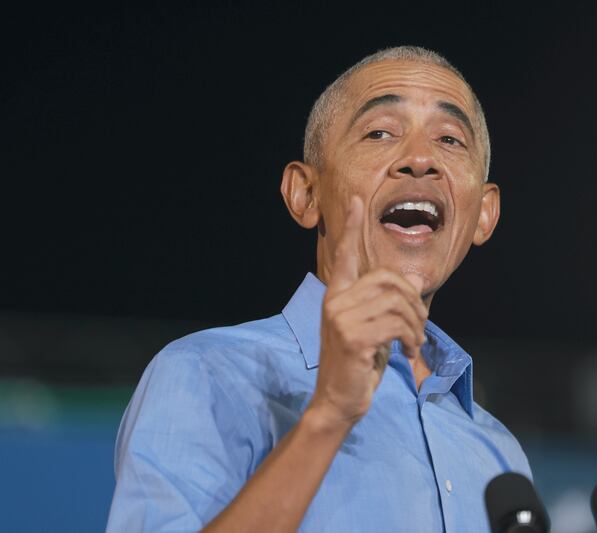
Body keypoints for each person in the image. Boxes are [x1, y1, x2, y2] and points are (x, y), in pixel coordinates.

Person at [107, 46, 533, 532]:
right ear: (305, 194)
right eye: (380, 132)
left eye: (450, 140)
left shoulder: (500, 455)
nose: (420, 159)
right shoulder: (207, 375)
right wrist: (329, 413)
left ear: (484, 213)